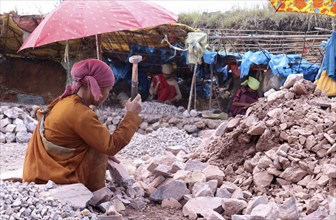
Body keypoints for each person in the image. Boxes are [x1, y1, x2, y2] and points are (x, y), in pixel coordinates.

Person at [23, 59, 142, 191]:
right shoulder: (81, 114)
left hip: (40, 170)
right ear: (97, 89)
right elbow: (111, 146)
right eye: (108, 89)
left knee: (98, 142)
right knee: (99, 148)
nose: (107, 95)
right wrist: (132, 114)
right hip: (53, 178)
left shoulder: (67, 101)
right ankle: (95, 192)